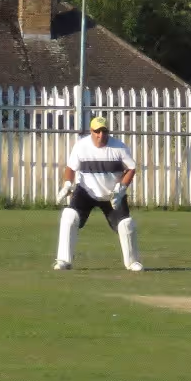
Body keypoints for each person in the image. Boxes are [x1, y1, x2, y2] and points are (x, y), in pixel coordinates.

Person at [54, 115, 142, 272]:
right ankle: (63, 261)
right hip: (86, 191)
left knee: (125, 224)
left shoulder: (119, 147)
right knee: (69, 216)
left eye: (104, 131)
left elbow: (131, 168)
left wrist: (121, 188)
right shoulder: (81, 146)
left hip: (112, 194)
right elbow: (70, 168)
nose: (101, 135)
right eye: (97, 131)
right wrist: (67, 184)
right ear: (91, 131)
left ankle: (132, 262)